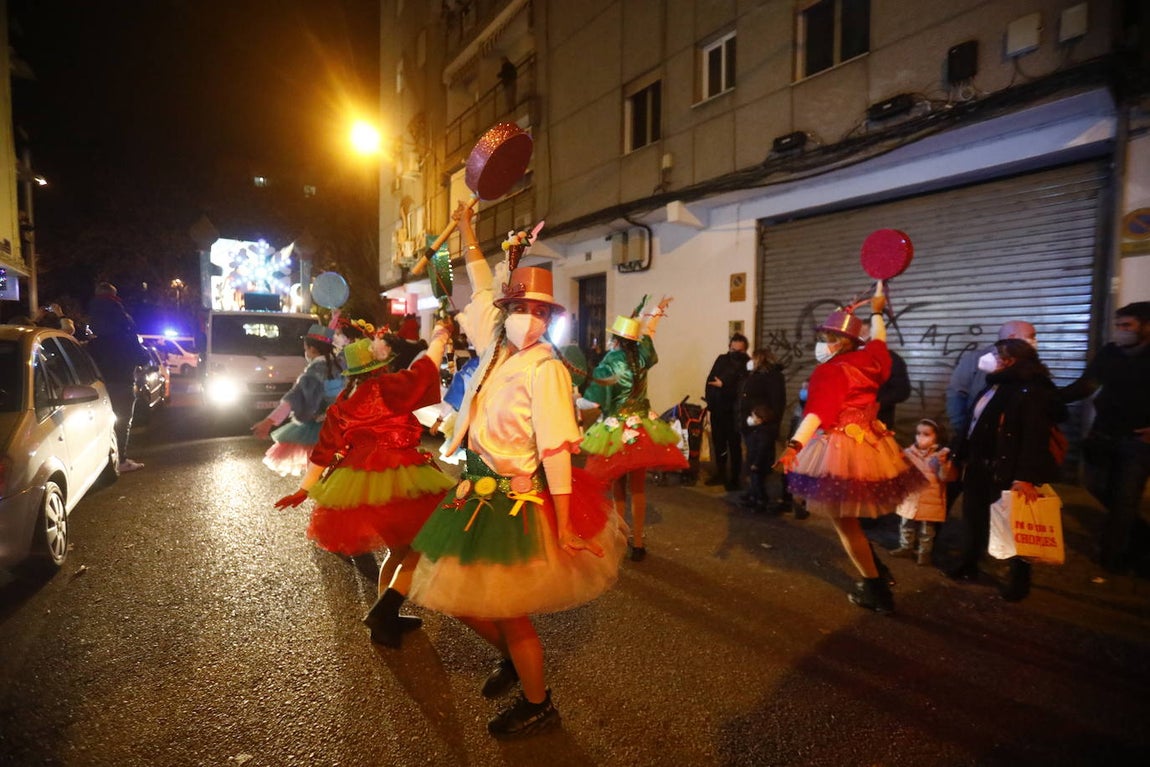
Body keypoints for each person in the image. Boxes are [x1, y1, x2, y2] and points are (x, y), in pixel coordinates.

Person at [406, 203, 625, 739]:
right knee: (476, 601)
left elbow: (555, 450)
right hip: (474, 492)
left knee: (509, 608)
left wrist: (568, 522)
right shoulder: (495, 348)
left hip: (513, 501)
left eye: (543, 311)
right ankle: (514, 663)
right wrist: (467, 233)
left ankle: (538, 701)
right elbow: (479, 290)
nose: (533, 317)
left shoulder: (546, 368)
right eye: (523, 306)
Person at [274, 326, 457, 645]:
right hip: (401, 475)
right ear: (381, 366)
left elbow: (323, 451)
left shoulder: (344, 403)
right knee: (423, 547)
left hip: (357, 483)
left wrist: (304, 489)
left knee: (397, 550)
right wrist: (440, 338)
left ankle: (383, 623)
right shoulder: (391, 386)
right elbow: (425, 369)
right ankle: (385, 611)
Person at [777, 287, 924, 613]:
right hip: (872, 445)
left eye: (827, 336)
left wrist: (793, 446)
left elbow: (816, 413)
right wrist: (877, 311)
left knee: (846, 524)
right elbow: (880, 342)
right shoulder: (871, 360)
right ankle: (876, 571)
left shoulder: (830, 370)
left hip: (840, 449)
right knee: (851, 521)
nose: (822, 342)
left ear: (842, 341)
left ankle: (875, 590)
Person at [949, 338, 1066, 600]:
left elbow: (1034, 437)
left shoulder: (1030, 390)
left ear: (1011, 360)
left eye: (998, 354)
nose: (992, 358)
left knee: (1015, 525)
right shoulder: (994, 385)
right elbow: (973, 424)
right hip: (979, 467)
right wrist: (958, 455)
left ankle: (1019, 579)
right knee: (974, 519)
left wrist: (1024, 478)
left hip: (1008, 471)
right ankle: (969, 564)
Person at [580, 297, 686, 560]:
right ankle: (638, 542)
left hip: (616, 429)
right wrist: (656, 314)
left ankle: (621, 534)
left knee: (618, 486)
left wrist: (571, 398)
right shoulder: (641, 356)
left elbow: (593, 400)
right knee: (638, 487)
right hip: (642, 427)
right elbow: (649, 334)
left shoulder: (610, 361)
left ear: (615, 339)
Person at [1060, 301, 1150, 574]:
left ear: (1146, 327)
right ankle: (1140, 536)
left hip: (1137, 442)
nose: (1120, 331)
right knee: (1096, 485)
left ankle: (1112, 559)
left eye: (1127, 326)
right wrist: (1050, 398)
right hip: (1103, 434)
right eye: (1118, 326)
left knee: (1125, 499)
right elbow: (1088, 385)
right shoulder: (1110, 353)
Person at [252, 324, 345, 477]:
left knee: (316, 475)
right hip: (341, 425)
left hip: (318, 428)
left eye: (306, 349)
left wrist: (269, 421)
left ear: (313, 350)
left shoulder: (313, 372)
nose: (306, 352)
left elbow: (294, 397)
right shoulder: (339, 366)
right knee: (337, 472)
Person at [85, 282, 151, 472]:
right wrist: (144, 359)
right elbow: (134, 349)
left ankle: (99, 461)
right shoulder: (122, 318)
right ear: (114, 295)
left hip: (97, 382)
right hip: (121, 378)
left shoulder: (93, 316)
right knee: (122, 420)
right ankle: (120, 460)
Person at [946, 320, 1038, 440]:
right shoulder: (975, 360)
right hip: (982, 440)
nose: (1035, 342)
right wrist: (964, 430)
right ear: (1012, 337)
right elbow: (956, 395)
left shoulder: (1031, 365)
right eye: (1031, 336)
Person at [892, 419, 955, 566]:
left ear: (936, 436)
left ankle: (924, 553)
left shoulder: (940, 456)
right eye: (918, 433)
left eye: (926, 434)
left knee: (927, 530)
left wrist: (944, 463)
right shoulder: (908, 452)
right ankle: (906, 547)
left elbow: (946, 477)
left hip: (931, 498)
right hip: (910, 497)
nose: (921, 437)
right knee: (906, 524)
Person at [737, 348, 786, 512]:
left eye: (753, 358)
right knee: (751, 461)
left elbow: (776, 403)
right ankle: (753, 493)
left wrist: (765, 420)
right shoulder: (755, 375)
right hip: (751, 424)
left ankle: (760, 497)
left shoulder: (772, 377)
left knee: (758, 463)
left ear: (760, 359)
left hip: (761, 427)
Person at [704, 332, 750, 491]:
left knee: (734, 445)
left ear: (744, 351)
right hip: (718, 410)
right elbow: (710, 380)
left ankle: (735, 478)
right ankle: (721, 473)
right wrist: (710, 405)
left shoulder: (747, 365)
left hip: (734, 412)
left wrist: (724, 385)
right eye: (732, 349)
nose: (735, 353)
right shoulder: (722, 359)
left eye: (738, 350)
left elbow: (743, 389)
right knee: (718, 444)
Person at [876, 348, 910, 429]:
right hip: (844, 424)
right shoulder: (844, 356)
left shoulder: (890, 358)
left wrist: (875, 404)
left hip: (879, 424)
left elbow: (902, 391)